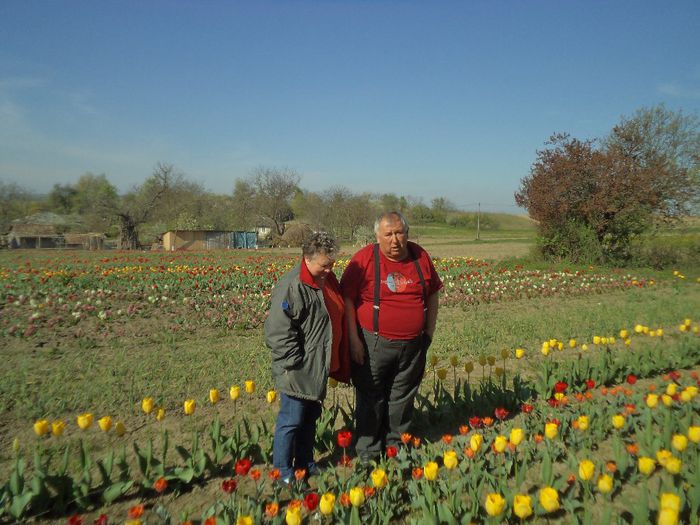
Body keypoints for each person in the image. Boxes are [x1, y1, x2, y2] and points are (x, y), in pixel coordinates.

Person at [341, 211, 442, 463]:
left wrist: (428, 332)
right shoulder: (364, 259)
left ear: (407, 233)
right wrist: (354, 340)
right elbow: (347, 299)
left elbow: (432, 293)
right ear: (378, 236)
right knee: (371, 398)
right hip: (374, 343)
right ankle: (368, 453)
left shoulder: (420, 256)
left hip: (413, 344)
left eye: (400, 233)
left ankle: (397, 449)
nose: (395, 240)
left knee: (402, 398)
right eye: (389, 234)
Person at [265, 232, 349, 484]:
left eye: (332, 264)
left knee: (309, 419)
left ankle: (305, 463)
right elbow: (278, 331)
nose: (329, 269)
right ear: (307, 258)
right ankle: (283, 473)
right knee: (291, 421)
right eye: (325, 264)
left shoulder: (326, 279)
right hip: (299, 368)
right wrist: (295, 362)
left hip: (316, 365)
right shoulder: (293, 285)